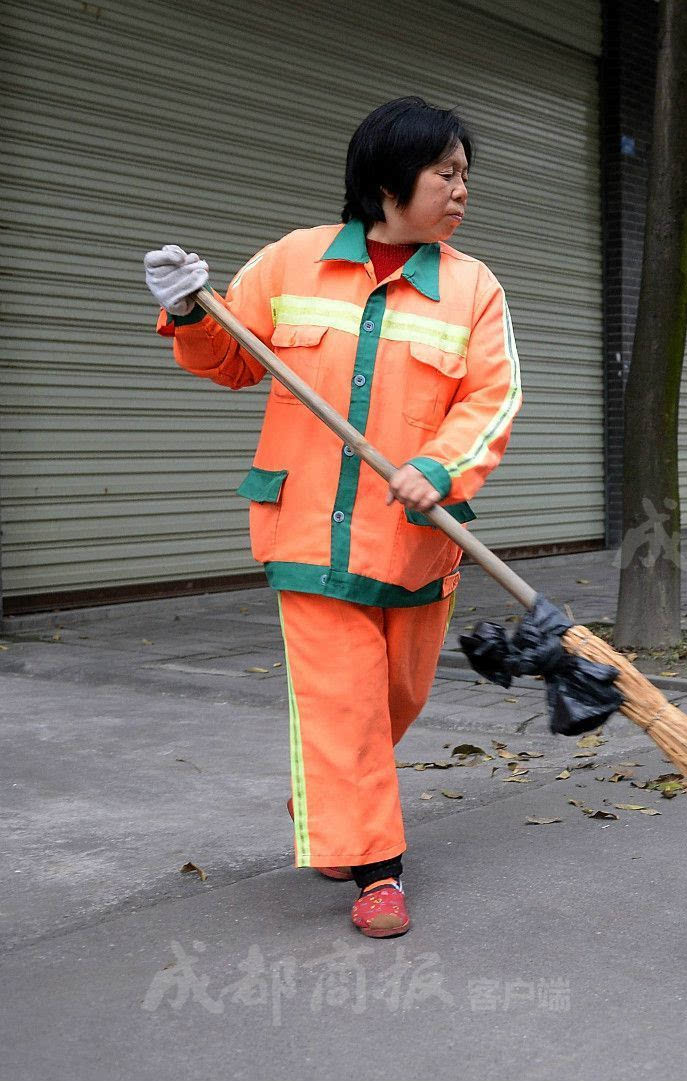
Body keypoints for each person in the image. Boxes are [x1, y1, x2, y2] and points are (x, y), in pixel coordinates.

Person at [141, 97, 522, 938]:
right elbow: (233, 359)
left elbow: (493, 400)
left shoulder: (472, 288)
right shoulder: (292, 263)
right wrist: (189, 308)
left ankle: (331, 786)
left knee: (394, 699)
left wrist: (440, 467)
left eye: (466, 176)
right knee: (344, 702)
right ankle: (377, 872)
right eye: (445, 174)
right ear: (390, 180)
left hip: (419, 541)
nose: (462, 191)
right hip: (308, 528)